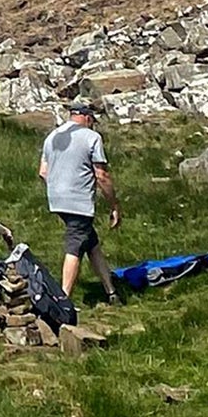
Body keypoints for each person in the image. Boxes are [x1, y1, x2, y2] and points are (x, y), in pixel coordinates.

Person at [40, 102, 122, 303]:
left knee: (91, 243)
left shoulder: (52, 136)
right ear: (87, 117)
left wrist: (58, 186)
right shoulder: (91, 137)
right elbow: (101, 175)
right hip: (79, 200)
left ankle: (110, 291)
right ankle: (63, 300)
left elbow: (43, 172)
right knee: (75, 245)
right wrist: (114, 206)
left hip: (56, 198)